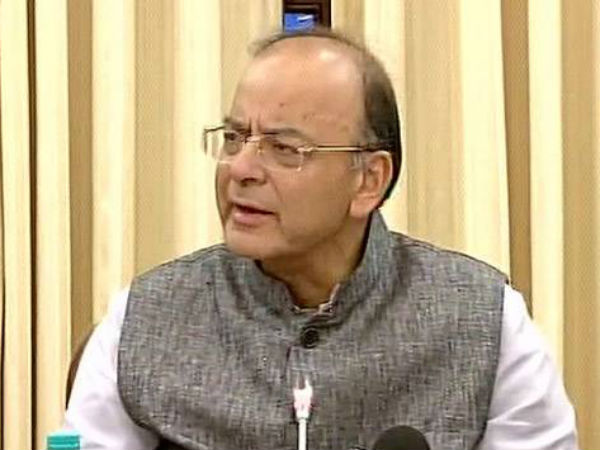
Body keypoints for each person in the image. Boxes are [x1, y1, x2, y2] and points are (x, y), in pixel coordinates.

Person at [64, 29, 578, 450]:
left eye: (285, 149)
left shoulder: (484, 321)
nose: (241, 169)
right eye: (235, 138)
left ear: (369, 180)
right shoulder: (145, 318)